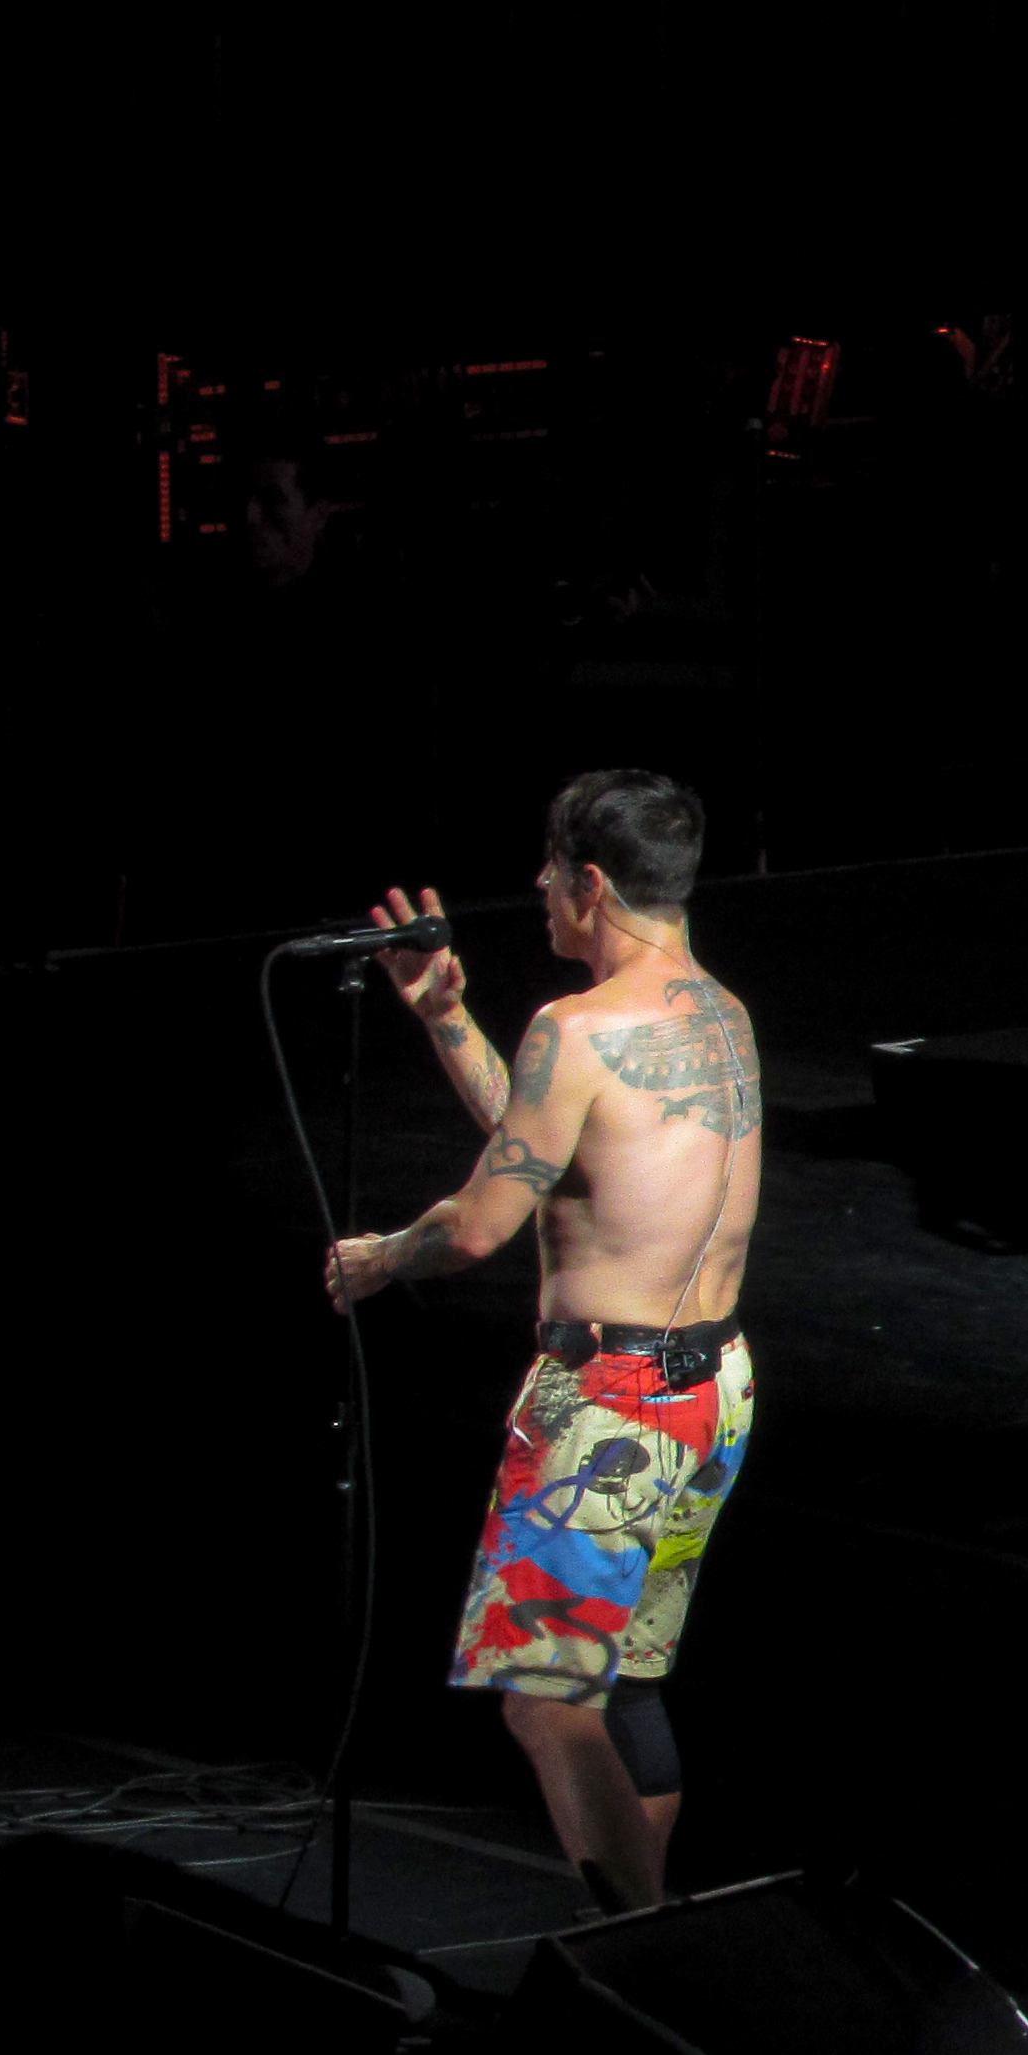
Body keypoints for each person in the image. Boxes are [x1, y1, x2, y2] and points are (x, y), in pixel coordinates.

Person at [324, 769, 761, 1914]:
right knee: (625, 1687)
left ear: (592, 885)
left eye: (551, 869)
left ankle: (647, 1955)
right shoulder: (720, 1017)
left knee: (548, 1701)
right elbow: (552, 1144)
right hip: (710, 1391)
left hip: (610, 1406)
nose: (537, 886)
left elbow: (478, 1225)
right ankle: (656, 1950)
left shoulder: (576, 1028)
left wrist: (381, 1257)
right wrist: (444, 1017)